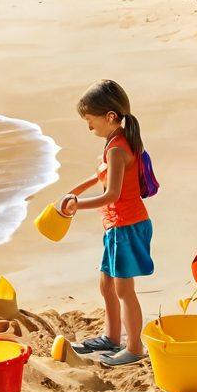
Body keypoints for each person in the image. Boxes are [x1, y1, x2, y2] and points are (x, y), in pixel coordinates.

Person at [59, 80, 153, 366]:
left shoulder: (117, 148)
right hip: (115, 227)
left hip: (127, 226)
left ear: (110, 116)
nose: (89, 127)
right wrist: (74, 191)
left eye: (90, 120)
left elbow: (111, 193)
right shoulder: (113, 142)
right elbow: (100, 176)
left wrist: (77, 206)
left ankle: (134, 347)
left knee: (124, 290)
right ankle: (112, 338)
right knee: (106, 285)